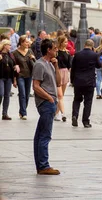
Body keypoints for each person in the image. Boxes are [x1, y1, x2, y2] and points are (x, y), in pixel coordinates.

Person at [32, 39, 61, 175]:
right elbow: (36, 86)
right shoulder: (40, 64)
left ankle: (41, 165)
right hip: (45, 103)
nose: (56, 50)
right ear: (48, 50)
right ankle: (44, 165)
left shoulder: (50, 64)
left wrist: (56, 66)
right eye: (54, 48)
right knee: (45, 135)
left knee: (40, 134)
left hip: (51, 101)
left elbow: (59, 82)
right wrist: (49, 98)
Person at [70, 39, 102, 128]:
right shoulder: (94, 55)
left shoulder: (77, 54)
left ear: (84, 45)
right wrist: (95, 53)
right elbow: (99, 65)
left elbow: (73, 68)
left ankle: (75, 115)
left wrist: (72, 80)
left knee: (77, 99)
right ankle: (86, 121)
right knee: (88, 102)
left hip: (78, 81)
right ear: (92, 46)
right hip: (89, 81)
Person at [13, 34, 36, 120]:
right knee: (22, 93)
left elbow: (36, 63)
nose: (28, 43)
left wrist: (33, 58)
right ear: (21, 43)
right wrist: (14, 80)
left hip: (29, 75)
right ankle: (24, 113)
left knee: (26, 94)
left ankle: (22, 111)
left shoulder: (30, 51)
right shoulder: (15, 53)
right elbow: (13, 66)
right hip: (20, 76)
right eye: (26, 42)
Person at [55, 35, 71, 123]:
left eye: (67, 42)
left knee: (61, 96)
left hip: (65, 73)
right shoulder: (56, 52)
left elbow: (69, 65)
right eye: (65, 42)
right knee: (60, 95)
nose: (66, 43)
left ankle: (56, 113)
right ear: (60, 42)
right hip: (58, 72)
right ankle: (63, 113)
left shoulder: (67, 52)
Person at [0, 39, 17, 120]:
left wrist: (14, 79)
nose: (10, 46)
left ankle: (5, 113)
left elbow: (13, 65)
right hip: (1, 77)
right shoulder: (0, 54)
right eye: (9, 45)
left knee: (7, 95)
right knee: (1, 93)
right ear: (4, 45)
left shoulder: (11, 55)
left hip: (9, 78)